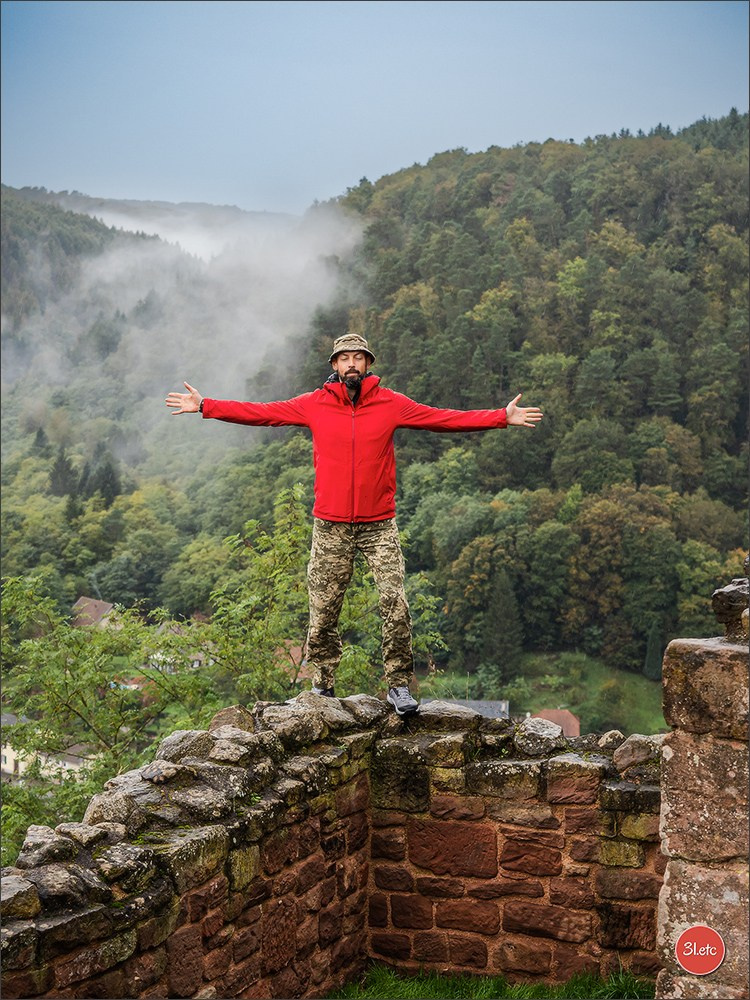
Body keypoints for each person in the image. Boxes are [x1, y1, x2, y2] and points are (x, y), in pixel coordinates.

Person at [165, 334, 543, 715]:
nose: (351, 364)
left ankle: (398, 685)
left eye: (357, 358)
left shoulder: (391, 403)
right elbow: (262, 412)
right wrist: (205, 406)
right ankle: (323, 684)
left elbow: (442, 418)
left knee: (395, 601)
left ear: (368, 364)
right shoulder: (314, 405)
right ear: (334, 365)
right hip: (330, 525)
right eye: (344, 358)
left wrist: (500, 417)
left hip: (379, 524)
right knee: (324, 607)